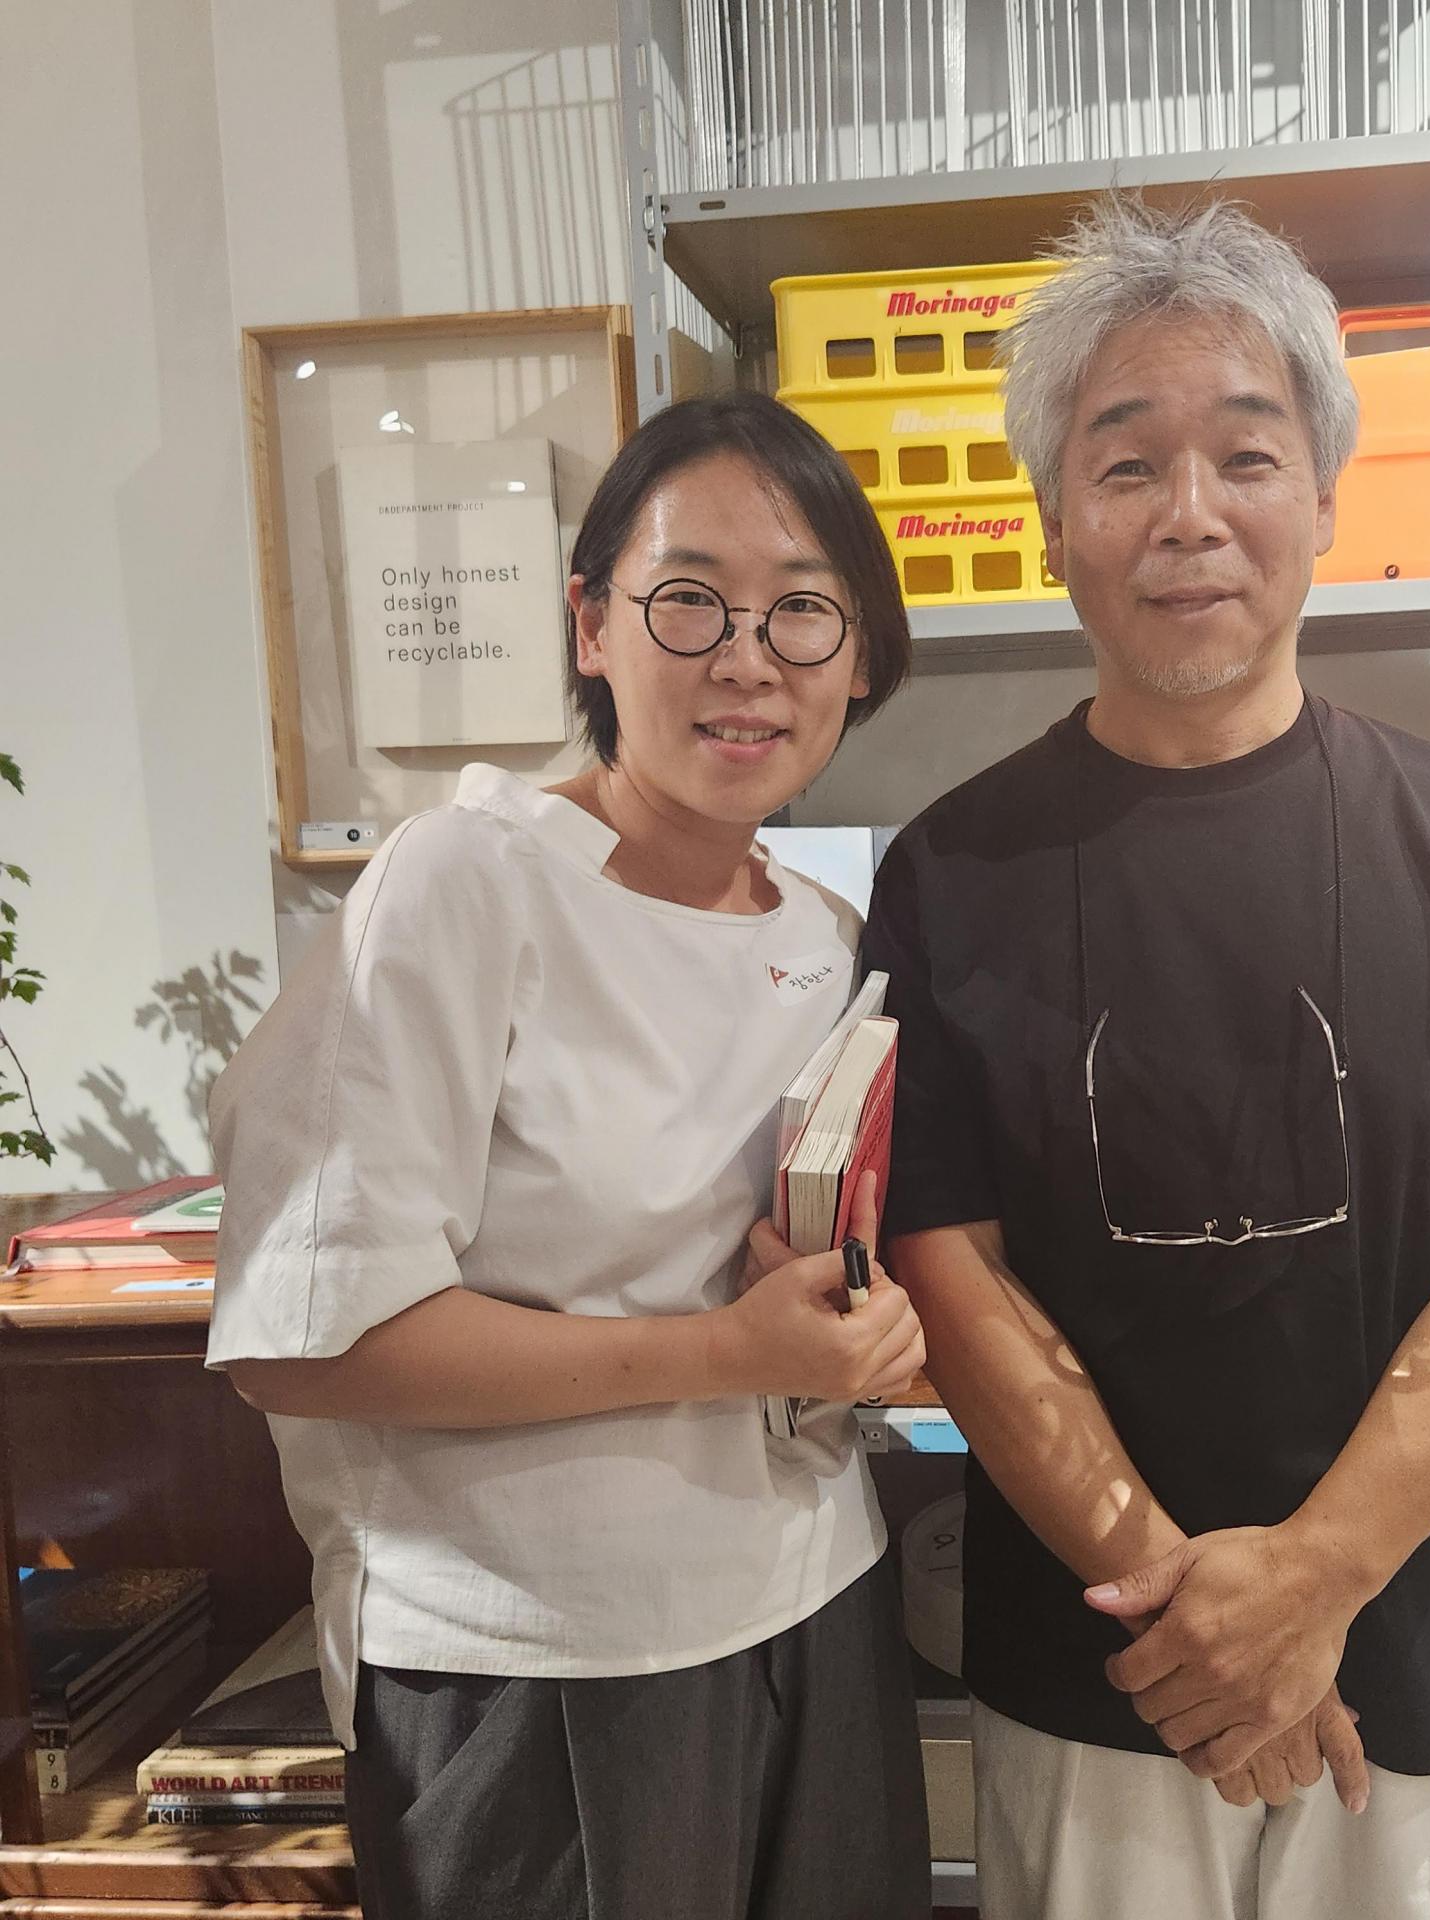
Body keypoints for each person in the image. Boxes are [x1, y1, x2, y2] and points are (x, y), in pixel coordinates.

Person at [862, 196, 1430, 1920]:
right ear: (1053, 521)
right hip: (1102, 1674)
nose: (1191, 514)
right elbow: (949, 1262)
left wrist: (1319, 1579)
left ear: (1323, 499)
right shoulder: (951, 873)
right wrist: (1190, 1611)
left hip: (1409, 1669)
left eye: (1246, 455)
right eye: (1126, 464)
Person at [206, 391, 932, 1920]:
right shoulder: (465, 885)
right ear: (592, 625)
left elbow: (807, 1264)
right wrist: (725, 1352)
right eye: (691, 601)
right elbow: (308, 1338)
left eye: (803, 610)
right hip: (540, 1664)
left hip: (815, 1598)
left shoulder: (825, 933)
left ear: (861, 657)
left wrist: (861, 1329)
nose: (748, 658)